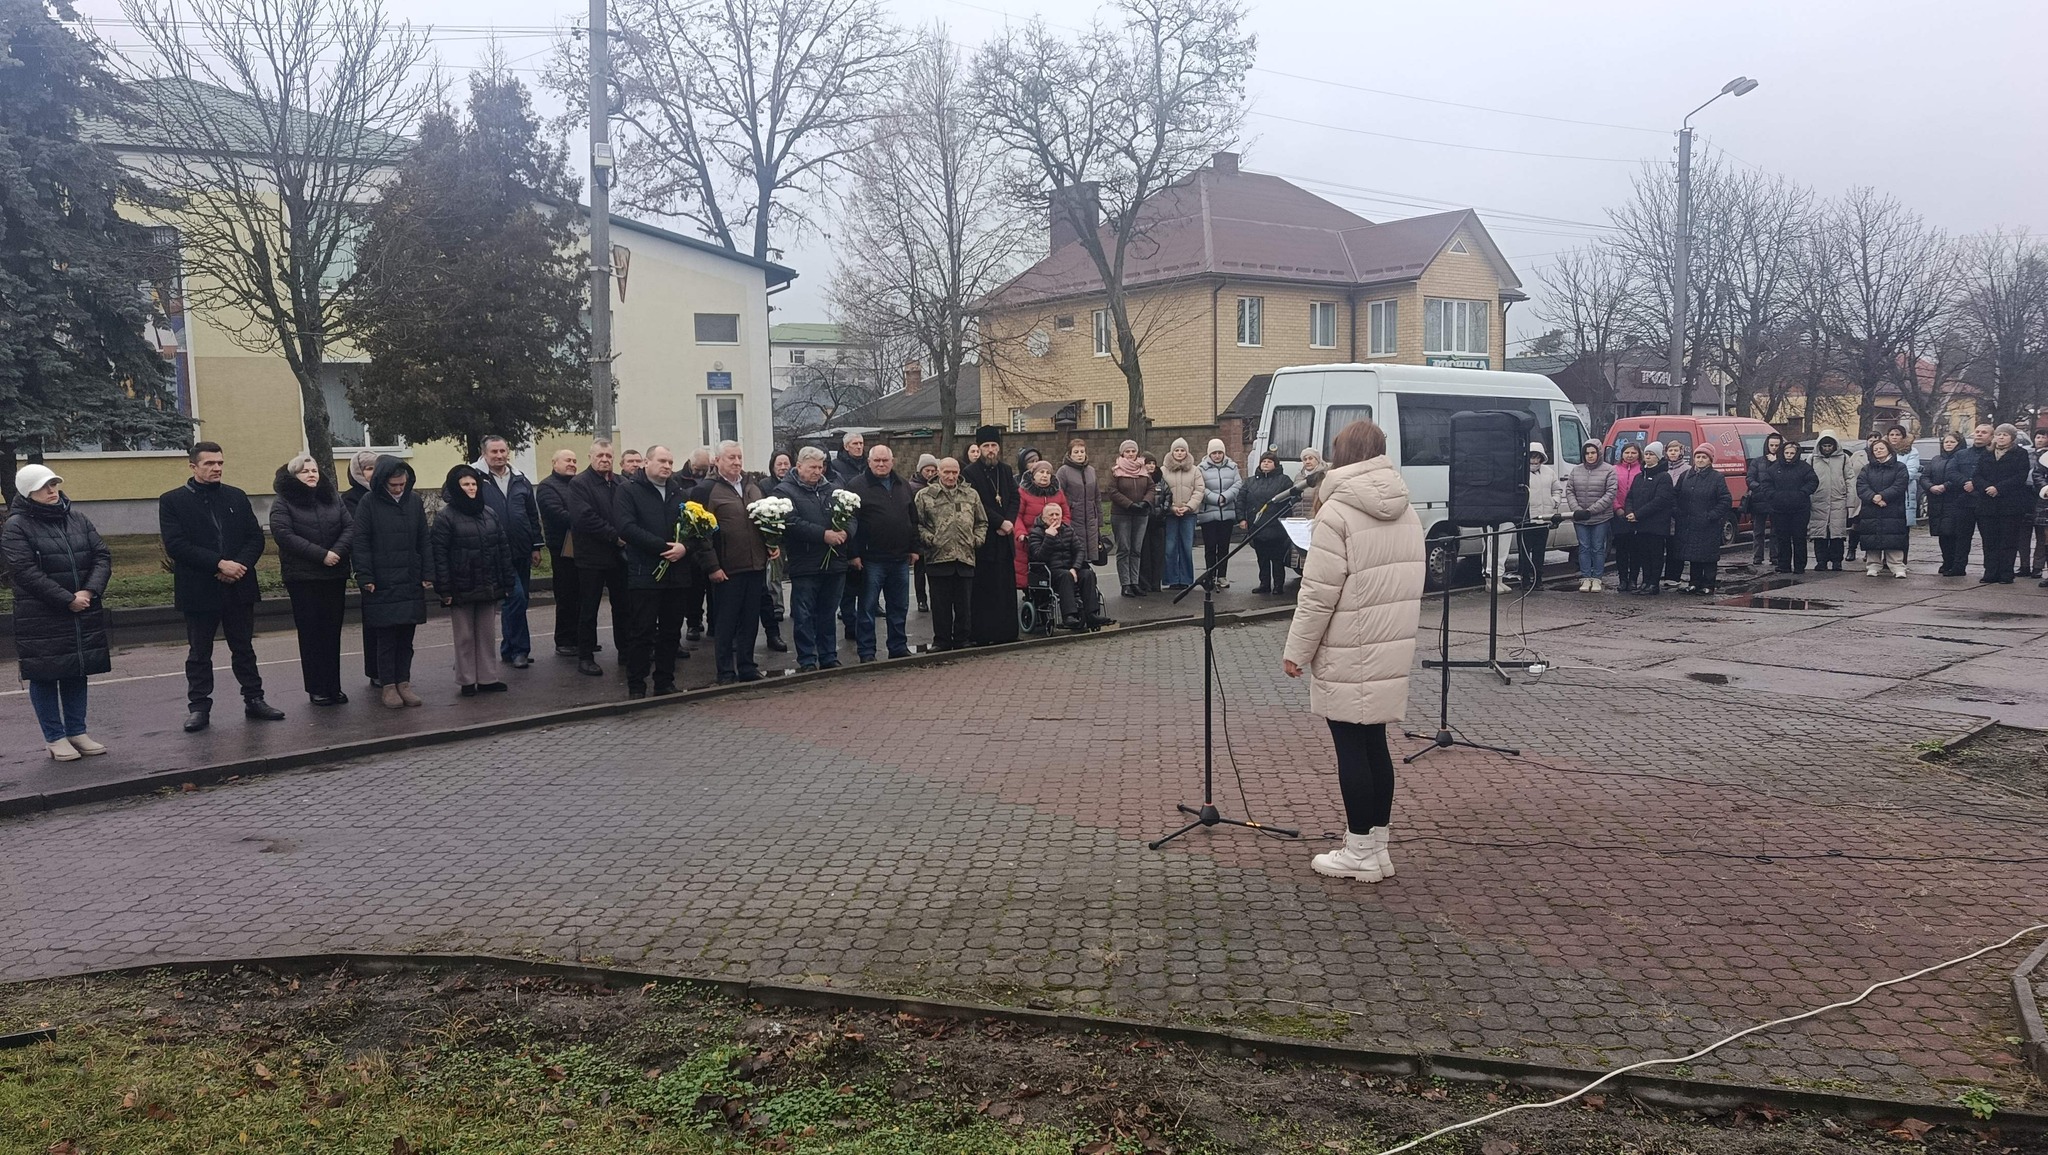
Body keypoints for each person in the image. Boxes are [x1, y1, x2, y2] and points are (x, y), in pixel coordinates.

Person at [1282, 419, 1425, 883]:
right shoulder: (1407, 509)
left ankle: (1359, 850)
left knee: (1350, 747)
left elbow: (1317, 594)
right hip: (1390, 641)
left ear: (1342, 456)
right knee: (1375, 744)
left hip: (1347, 644)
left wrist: (1297, 651)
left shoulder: (1337, 513)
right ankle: (1377, 848)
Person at [159, 442, 285, 732]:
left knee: (243, 648)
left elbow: (255, 538)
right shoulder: (173, 501)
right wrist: (218, 564)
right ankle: (199, 707)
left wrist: (238, 566)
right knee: (199, 652)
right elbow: (177, 545)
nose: (216, 468)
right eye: (209, 464)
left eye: (220, 463)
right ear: (193, 466)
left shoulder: (236, 496)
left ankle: (254, 699)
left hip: (238, 586)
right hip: (199, 589)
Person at [5, 465, 112, 760]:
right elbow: (25, 572)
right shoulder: (16, 526)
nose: (51, 490)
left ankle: (77, 731)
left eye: (53, 484)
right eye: (43, 486)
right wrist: (67, 599)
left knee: (77, 669)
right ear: (27, 492)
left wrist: (88, 592)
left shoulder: (77, 518)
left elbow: (101, 555)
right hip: (41, 614)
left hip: (81, 608)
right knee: (45, 675)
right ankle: (54, 737)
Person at [269, 453, 353, 706]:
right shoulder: (283, 501)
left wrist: (336, 552)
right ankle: (317, 688)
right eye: (305, 471)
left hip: (334, 574)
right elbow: (284, 535)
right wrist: (321, 555)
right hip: (303, 577)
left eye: (314, 470)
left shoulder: (332, 498)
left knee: (332, 632)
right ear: (294, 475)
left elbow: (349, 527)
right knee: (311, 634)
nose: (311, 474)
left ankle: (334, 686)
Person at [617, 445, 699, 696]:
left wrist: (685, 548)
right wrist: (663, 548)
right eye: (662, 461)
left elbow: (695, 529)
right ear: (646, 462)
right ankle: (637, 685)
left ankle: (664, 681)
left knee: (671, 632)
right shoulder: (628, 490)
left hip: (677, 574)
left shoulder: (679, 493)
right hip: (645, 573)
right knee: (642, 632)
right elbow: (626, 527)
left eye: (670, 462)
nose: (667, 466)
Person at [693, 441, 773, 683]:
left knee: (750, 620)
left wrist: (772, 543)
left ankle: (747, 667)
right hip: (727, 569)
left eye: (739, 457)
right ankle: (725, 671)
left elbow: (764, 520)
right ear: (717, 461)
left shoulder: (752, 486)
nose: (737, 462)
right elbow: (700, 534)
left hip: (755, 565)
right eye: (731, 458)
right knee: (726, 623)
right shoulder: (706, 490)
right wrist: (712, 566)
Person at [353, 456, 429, 708]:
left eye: (402, 484)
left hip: (409, 578)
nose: (398, 489)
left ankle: (404, 683)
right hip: (382, 581)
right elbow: (360, 542)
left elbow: (423, 539)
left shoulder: (414, 501)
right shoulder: (368, 503)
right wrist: (365, 576)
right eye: (393, 485)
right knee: (386, 639)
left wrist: (428, 573)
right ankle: (388, 686)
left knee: (406, 637)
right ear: (383, 482)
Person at [433, 464, 517, 695]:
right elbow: (439, 555)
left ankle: (488, 678)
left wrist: (507, 581)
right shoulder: (445, 517)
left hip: (488, 584)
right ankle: (467, 680)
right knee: (464, 636)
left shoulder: (489, 513)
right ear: (455, 487)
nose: (471, 488)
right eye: (465, 484)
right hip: (460, 586)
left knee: (487, 634)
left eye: (473, 484)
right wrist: (444, 589)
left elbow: (502, 549)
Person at [473, 436, 544, 670]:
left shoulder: (520, 478)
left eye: (503, 451)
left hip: (521, 549)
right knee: (516, 597)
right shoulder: (474, 477)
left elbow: (532, 515)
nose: (499, 455)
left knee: (517, 602)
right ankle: (520, 650)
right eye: (494, 452)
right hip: (494, 551)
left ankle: (508, 648)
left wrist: (536, 546)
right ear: (484, 453)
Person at [777, 446, 851, 671]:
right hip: (805, 563)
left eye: (820, 467)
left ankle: (828, 655)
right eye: (812, 467)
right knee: (804, 615)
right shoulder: (784, 492)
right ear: (799, 466)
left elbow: (851, 515)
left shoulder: (834, 489)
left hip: (834, 562)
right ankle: (807, 659)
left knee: (828, 613)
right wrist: (823, 535)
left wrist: (846, 532)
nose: (817, 472)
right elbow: (792, 523)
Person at [846, 444, 920, 662]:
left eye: (885, 460)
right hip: (871, 560)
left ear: (892, 461)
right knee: (867, 608)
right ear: (869, 462)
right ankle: (867, 651)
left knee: (899, 607)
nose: (881, 464)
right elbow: (850, 521)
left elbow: (912, 519)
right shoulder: (856, 486)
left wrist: (914, 548)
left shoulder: (903, 484)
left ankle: (898, 646)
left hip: (900, 558)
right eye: (876, 461)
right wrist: (853, 554)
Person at [568, 439, 628, 676]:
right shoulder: (579, 483)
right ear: (590, 457)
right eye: (600, 456)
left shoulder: (621, 483)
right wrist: (615, 536)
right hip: (591, 556)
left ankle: (625, 651)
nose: (604, 460)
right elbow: (584, 517)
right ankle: (585, 656)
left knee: (623, 607)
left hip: (619, 557)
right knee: (589, 609)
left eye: (608, 456)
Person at [915, 457, 985, 651]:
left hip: (965, 556)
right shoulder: (925, 495)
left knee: (964, 604)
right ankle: (942, 641)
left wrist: (977, 540)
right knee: (940, 604)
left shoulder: (971, 494)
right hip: (938, 557)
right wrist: (929, 539)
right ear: (938, 472)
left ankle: (963, 639)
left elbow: (981, 522)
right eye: (946, 472)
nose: (951, 476)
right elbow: (917, 523)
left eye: (954, 472)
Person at [962, 426, 1021, 645]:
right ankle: (985, 634)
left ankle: (1007, 632)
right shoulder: (970, 472)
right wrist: (999, 522)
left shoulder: (1005, 470)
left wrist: (1009, 522)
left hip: (1005, 538)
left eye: (994, 445)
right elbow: (976, 503)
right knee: (985, 589)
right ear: (979, 448)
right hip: (985, 538)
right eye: (986, 446)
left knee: (1005, 587)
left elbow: (1014, 497)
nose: (990, 450)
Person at [1026, 503, 1108, 630]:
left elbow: (1080, 550)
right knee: (1065, 575)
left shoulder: (1068, 530)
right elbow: (1039, 556)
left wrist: (1075, 568)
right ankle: (1068, 616)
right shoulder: (1036, 533)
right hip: (1048, 571)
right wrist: (1049, 537)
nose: (1054, 517)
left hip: (1070, 569)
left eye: (1057, 514)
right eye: (1051, 515)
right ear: (1043, 517)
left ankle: (1092, 614)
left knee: (1087, 574)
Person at [535, 449, 582, 658]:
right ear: (554, 463)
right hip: (562, 547)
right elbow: (557, 514)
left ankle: (581, 638)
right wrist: (586, 519)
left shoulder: (578, 484)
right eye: (567, 460)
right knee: (566, 594)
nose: (572, 463)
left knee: (582, 594)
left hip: (581, 545)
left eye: (574, 460)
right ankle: (564, 640)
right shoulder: (547, 486)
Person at [342, 450, 382, 685]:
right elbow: (358, 533)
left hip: (394, 565)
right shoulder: (350, 499)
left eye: (376, 467)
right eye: (368, 468)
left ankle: (396, 671)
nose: (373, 473)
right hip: (370, 566)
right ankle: (376, 671)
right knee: (374, 621)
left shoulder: (391, 493)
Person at [1973, 423, 2031, 584]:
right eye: (1999, 434)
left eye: (2005, 435)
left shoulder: (2020, 454)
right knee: (1989, 541)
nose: (2001, 437)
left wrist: (1999, 488)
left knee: (2008, 541)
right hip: (1987, 504)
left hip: (2010, 505)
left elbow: (2020, 476)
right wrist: (1986, 487)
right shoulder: (1986, 454)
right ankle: (1990, 572)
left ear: (2012, 438)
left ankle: (2006, 573)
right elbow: (1977, 475)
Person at [1672, 446, 1733, 594]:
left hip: (1708, 524)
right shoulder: (1686, 475)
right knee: (1693, 555)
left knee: (1708, 556)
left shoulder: (1717, 477)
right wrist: (1677, 512)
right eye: (1698, 457)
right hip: (1688, 522)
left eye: (1704, 457)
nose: (1700, 460)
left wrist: (1711, 515)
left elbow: (1725, 500)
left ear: (1710, 460)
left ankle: (1708, 584)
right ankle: (1694, 582)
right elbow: (1674, 495)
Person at [1238, 451, 1297, 594]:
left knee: (1277, 558)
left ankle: (1278, 585)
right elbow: (1241, 500)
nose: (1266, 464)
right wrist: (1241, 518)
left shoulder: (1284, 480)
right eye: (1263, 461)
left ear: (1275, 464)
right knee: (1262, 557)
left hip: (1276, 526)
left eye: (1269, 461)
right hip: (1257, 525)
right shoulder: (1250, 481)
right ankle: (1264, 584)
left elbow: (1290, 500)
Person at [1619, 442, 1673, 596]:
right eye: (1647, 454)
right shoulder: (1639, 476)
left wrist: (1638, 514)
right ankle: (1645, 581)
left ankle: (1653, 583)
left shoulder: (1664, 477)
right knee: (1643, 554)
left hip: (1656, 525)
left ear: (1658, 457)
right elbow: (1630, 497)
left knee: (1655, 555)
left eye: (1652, 455)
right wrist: (1629, 512)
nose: (1648, 457)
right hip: (1640, 524)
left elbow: (1660, 501)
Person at [1563, 440, 1617, 592]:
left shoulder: (1609, 470)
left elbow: (1610, 493)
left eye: (1593, 453)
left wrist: (1591, 511)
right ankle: (1585, 578)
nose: (1590, 456)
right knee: (1584, 547)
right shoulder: (1576, 470)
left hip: (1601, 517)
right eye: (1587, 453)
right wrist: (1577, 510)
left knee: (1598, 548)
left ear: (1599, 453)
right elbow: (1570, 491)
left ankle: (1597, 578)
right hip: (1580, 517)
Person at [1509, 442, 1563, 591]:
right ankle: (1525, 579)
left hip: (1544, 518)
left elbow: (1557, 490)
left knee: (1540, 551)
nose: (1534, 460)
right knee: (1524, 551)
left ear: (1541, 458)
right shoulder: (1520, 473)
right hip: (1526, 519)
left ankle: (1538, 579)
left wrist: (1554, 501)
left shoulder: (1549, 472)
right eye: (1532, 457)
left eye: (1537, 457)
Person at [1922, 431, 1975, 577]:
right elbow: (1925, 476)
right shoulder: (1936, 459)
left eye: (1952, 442)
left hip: (1955, 500)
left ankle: (1955, 564)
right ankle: (1946, 561)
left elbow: (1957, 477)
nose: (1948, 444)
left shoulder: (1961, 459)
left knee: (1954, 534)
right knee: (1943, 535)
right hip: (1937, 502)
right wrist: (1930, 486)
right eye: (1946, 442)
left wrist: (1945, 486)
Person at [1856, 438, 1910, 579]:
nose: (1878, 451)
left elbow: (1900, 485)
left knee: (1894, 539)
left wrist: (1883, 496)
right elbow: (1861, 486)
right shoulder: (1867, 469)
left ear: (1888, 450)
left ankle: (1897, 567)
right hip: (1871, 509)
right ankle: (1873, 566)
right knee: (1872, 538)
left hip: (1893, 508)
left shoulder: (1899, 467)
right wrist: (1873, 497)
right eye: (1875, 449)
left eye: (1881, 448)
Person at [1014, 458, 1072, 589]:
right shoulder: (1023, 492)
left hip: (1055, 536)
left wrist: (1060, 529)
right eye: (1041, 472)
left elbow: (1066, 515)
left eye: (1048, 473)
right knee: (1028, 572)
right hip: (1030, 537)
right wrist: (1021, 533)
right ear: (1033, 475)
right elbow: (1017, 516)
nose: (1045, 475)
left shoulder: (1058, 493)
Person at [1108, 440, 1153, 599]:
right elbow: (1112, 491)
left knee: (1136, 550)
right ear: (1122, 453)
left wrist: (1145, 502)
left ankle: (1135, 582)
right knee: (1124, 549)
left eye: (1133, 451)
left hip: (1141, 514)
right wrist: (1129, 504)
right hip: (1122, 514)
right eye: (1127, 451)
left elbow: (1151, 488)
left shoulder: (1143, 469)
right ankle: (1125, 584)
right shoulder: (1116, 470)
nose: (1131, 454)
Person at [1809, 432, 1860, 572]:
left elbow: (1849, 479)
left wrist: (1850, 501)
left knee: (1837, 534)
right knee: (1819, 534)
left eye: (1829, 445)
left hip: (1838, 499)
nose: (1827, 448)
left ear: (1835, 445)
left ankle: (1837, 561)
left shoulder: (1843, 458)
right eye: (1824, 446)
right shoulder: (1812, 459)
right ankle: (1821, 561)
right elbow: (1808, 478)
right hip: (1818, 500)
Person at [1764, 441, 1818, 574]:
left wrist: (1802, 493)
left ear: (1797, 454)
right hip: (1779, 509)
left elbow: (1813, 481)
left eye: (1792, 453)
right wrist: (1773, 495)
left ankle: (1800, 566)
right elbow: (1766, 484)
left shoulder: (1804, 468)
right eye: (1787, 452)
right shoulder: (1774, 468)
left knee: (1799, 538)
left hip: (1800, 509)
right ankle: (1784, 565)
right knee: (1782, 538)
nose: (1789, 455)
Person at [1196, 439, 1243, 589]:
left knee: (1224, 547)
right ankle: (1210, 575)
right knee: (1210, 547)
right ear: (1209, 454)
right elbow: (1200, 487)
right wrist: (1215, 498)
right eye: (1214, 453)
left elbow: (1238, 484)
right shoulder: (1201, 468)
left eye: (1219, 453)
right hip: (1208, 514)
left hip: (1227, 514)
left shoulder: (1232, 467)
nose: (1217, 456)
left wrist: (1225, 497)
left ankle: (1222, 576)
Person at [1055, 439, 1102, 585]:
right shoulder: (1063, 471)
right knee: (1075, 552)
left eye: (1082, 451)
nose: (1080, 454)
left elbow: (1097, 496)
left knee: (1088, 555)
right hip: (1073, 518)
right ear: (1070, 454)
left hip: (1090, 519)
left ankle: (1086, 584)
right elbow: (1059, 495)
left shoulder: (1091, 471)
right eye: (1076, 452)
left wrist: (1099, 520)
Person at [759, 451, 792, 653]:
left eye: (786, 463)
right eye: (779, 464)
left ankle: (794, 607)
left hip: (793, 535)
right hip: (775, 537)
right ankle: (777, 606)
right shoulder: (765, 485)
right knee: (774, 573)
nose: (783, 467)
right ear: (772, 466)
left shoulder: (795, 483)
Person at [1159, 439, 1202, 589]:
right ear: (1172, 452)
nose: (1179, 453)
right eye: (1176, 450)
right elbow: (1160, 492)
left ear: (1187, 452)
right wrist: (1170, 508)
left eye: (1182, 450)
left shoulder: (1195, 470)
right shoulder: (1163, 470)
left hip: (1188, 514)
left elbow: (1199, 490)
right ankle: (1171, 579)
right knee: (1170, 547)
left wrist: (1189, 506)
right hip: (1170, 515)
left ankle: (1185, 579)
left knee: (1186, 547)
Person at [1608, 442, 1644, 592]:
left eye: (1633, 453)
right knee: (1621, 550)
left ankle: (1633, 579)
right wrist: (1617, 508)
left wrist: (1636, 512)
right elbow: (1611, 491)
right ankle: (1623, 579)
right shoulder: (1614, 470)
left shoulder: (1642, 470)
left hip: (1636, 515)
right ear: (1621, 454)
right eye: (1627, 452)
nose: (1630, 456)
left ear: (1639, 454)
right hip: (1619, 514)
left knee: (1636, 550)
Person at [1746, 433, 1784, 567]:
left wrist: (1776, 463)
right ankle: (1757, 557)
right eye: (1771, 445)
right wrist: (1762, 488)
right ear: (1767, 445)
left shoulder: (1782, 463)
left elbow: (1785, 478)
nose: (1774, 448)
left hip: (1776, 500)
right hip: (1759, 499)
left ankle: (1775, 556)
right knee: (1758, 531)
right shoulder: (1757, 462)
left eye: (1777, 445)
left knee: (1776, 531)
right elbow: (1750, 479)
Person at [912, 452, 940, 611]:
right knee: (920, 571)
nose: (930, 474)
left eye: (933, 470)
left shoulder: (938, 486)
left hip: (936, 533)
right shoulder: (912, 487)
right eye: (927, 470)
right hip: (920, 532)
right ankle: (921, 599)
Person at [1140, 453, 1168, 593]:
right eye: (1148, 463)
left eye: (1153, 463)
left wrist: (1163, 511)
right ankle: (1145, 583)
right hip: (1144, 521)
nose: (1151, 466)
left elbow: (1168, 496)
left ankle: (1156, 583)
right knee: (1145, 554)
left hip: (1158, 521)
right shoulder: (1140, 479)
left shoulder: (1160, 480)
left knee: (1158, 554)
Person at [2027, 428, 2048, 578]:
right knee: (2044, 538)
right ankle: (2036, 567)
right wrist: (2045, 488)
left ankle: (2039, 567)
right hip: (2043, 500)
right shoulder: (2043, 457)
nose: (2040, 440)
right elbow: (2038, 473)